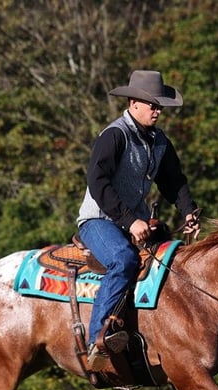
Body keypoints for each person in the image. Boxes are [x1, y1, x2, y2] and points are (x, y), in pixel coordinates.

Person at [77, 70, 201, 371]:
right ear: (133, 103)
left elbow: (174, 181)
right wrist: (130, 220)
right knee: (123, 260)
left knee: (174, 258)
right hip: (99, 220)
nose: (157, 111)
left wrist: (189, 210)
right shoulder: (114, 135)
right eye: (152, 105)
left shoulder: (159, 142)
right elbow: (98, 182)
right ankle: (98, 340)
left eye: (159, 106)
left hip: (134, 221)